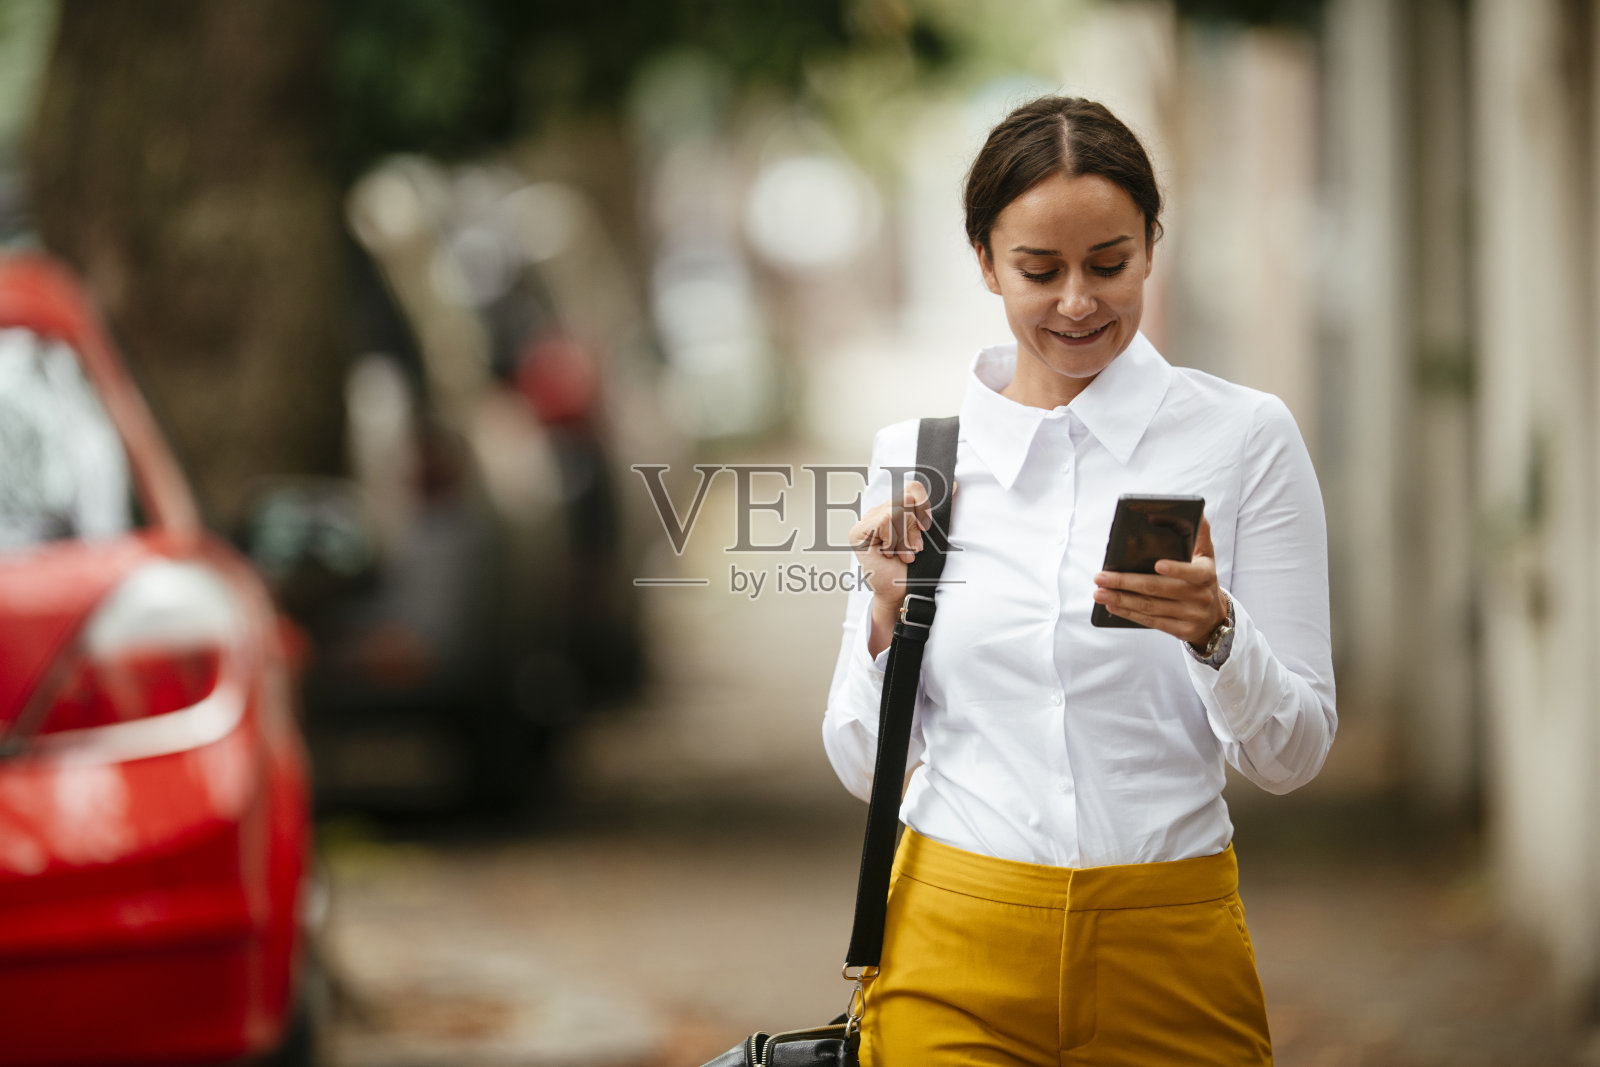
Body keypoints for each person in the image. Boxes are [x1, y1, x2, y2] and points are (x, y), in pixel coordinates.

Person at [822, 95, 1335, 1066]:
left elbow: (1293, 751)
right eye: (1036, 268)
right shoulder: (918, 459)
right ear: (982, 261)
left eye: (1109, 264)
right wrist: (886, 610)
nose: (1075, 301)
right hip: (952, 945)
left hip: (1169, 942)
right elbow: (860, 760)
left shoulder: (1241, 439)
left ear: (1150, 246)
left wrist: (1217, 634)